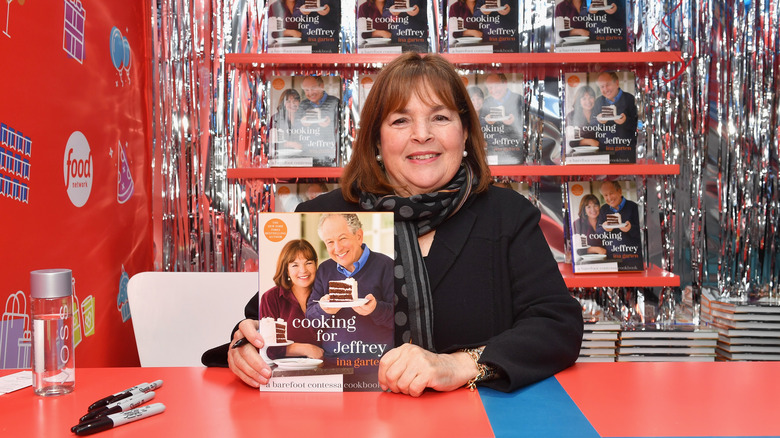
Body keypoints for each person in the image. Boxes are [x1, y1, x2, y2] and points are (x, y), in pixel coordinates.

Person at [226, 52, 582, 396]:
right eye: (400, 120)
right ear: (377, 140)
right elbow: (265, 319)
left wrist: (461, 365)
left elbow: (556, 325)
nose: (422, 134)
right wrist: (245, 344)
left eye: (440, 117)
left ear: (464, 132)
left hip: (477, 421)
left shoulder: (507, 214)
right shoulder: (324, 216)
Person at [200, 239, 323, 366]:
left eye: (308, 263)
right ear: (286, 269)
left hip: (326, 372)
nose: (303, 270)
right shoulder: (271, 297)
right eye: (295, 265)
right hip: (281, 371)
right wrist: (304, 348)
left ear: (316, 264)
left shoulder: (326, 295)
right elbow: (269, 347)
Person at [305, 213, 394, 356]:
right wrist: (323, 309)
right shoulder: (324, 270)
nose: (337, 248)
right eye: (330, 242)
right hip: (333, 363)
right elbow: (310, 320)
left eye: (342, 238)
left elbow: (402, 318)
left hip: (375, 363)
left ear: (359, 236)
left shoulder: (386, 265)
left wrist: (375, 309)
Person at [294, 75, 340, 165]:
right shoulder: (302, 105)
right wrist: (302, 124)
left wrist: (331, 125)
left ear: (321, 86)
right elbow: (293, 131)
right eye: (306, 90)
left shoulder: (335, 102)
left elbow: (343, 129)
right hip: (306, 158)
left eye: (313, 88)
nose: (310, 93)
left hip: (331, 158)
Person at [592, 71, 638, 161]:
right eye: (602, 87)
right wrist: (598, 121)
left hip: (626, 153)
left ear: (616, 83)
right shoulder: (598, 102)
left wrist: (625, 121)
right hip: (604, 153)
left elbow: (639, 125)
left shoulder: (630, 99)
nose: (605, 89)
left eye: (608, 85)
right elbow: (591, 124)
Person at [597, 180, 641, 251]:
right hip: (611, 255)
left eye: (611, 193)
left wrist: (630, 228)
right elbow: (598, 233)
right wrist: (604, 229)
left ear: (619, 191)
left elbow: (642, 233)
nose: (609, 198)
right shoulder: (603, 209)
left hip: (631, 254)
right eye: (605, 195)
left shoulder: (633, 207)